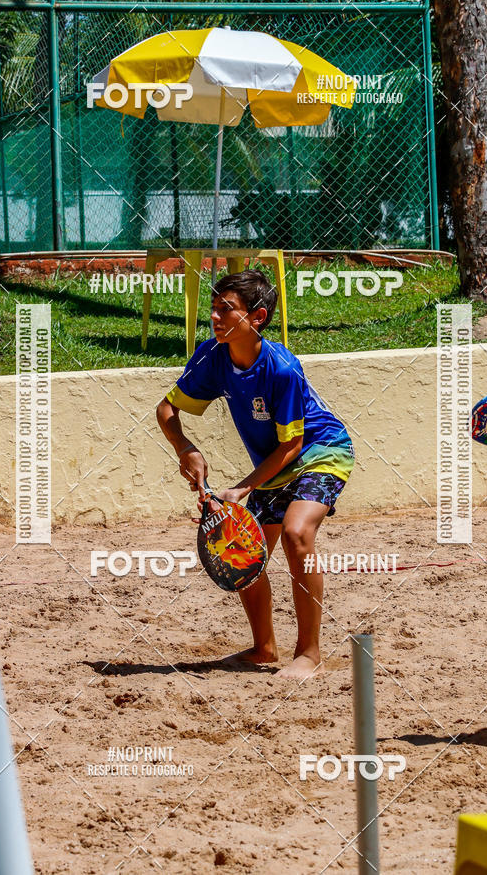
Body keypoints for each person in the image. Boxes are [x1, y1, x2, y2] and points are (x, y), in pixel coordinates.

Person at [156, 269, 355, 679]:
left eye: (226, 310)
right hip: (274, 464)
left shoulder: (282, 368)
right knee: (241, 548)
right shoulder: (212, 356)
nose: (215, 317)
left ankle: (309, 654)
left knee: (298, 533)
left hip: (321, 450)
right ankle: (264, 649)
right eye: (213, 309)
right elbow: (166, 410)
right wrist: (185, 447)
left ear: (258, 317)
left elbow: (292, 446)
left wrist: (242, 489)